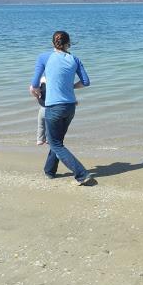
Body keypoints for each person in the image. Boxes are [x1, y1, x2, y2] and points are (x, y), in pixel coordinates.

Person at [29, 31, 93, 185]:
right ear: (68, 43)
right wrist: (70, 87)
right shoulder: (74, 59)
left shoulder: (44, 57)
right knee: (57, 141)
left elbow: (34, 85)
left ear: (53, 43)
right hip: (70, 107)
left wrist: (36, 93)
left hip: (54, 108)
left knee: (55, 143)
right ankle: (49, 171)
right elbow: (85, 82)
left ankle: (81, 174)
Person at [36, 77, 47, 145]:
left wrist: (37, 97)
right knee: (49, 125)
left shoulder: (41, 80)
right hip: (52, 107)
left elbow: (33, 89)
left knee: (41, 125)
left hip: (43, 107)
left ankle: (39, 140)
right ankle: (48, 139)